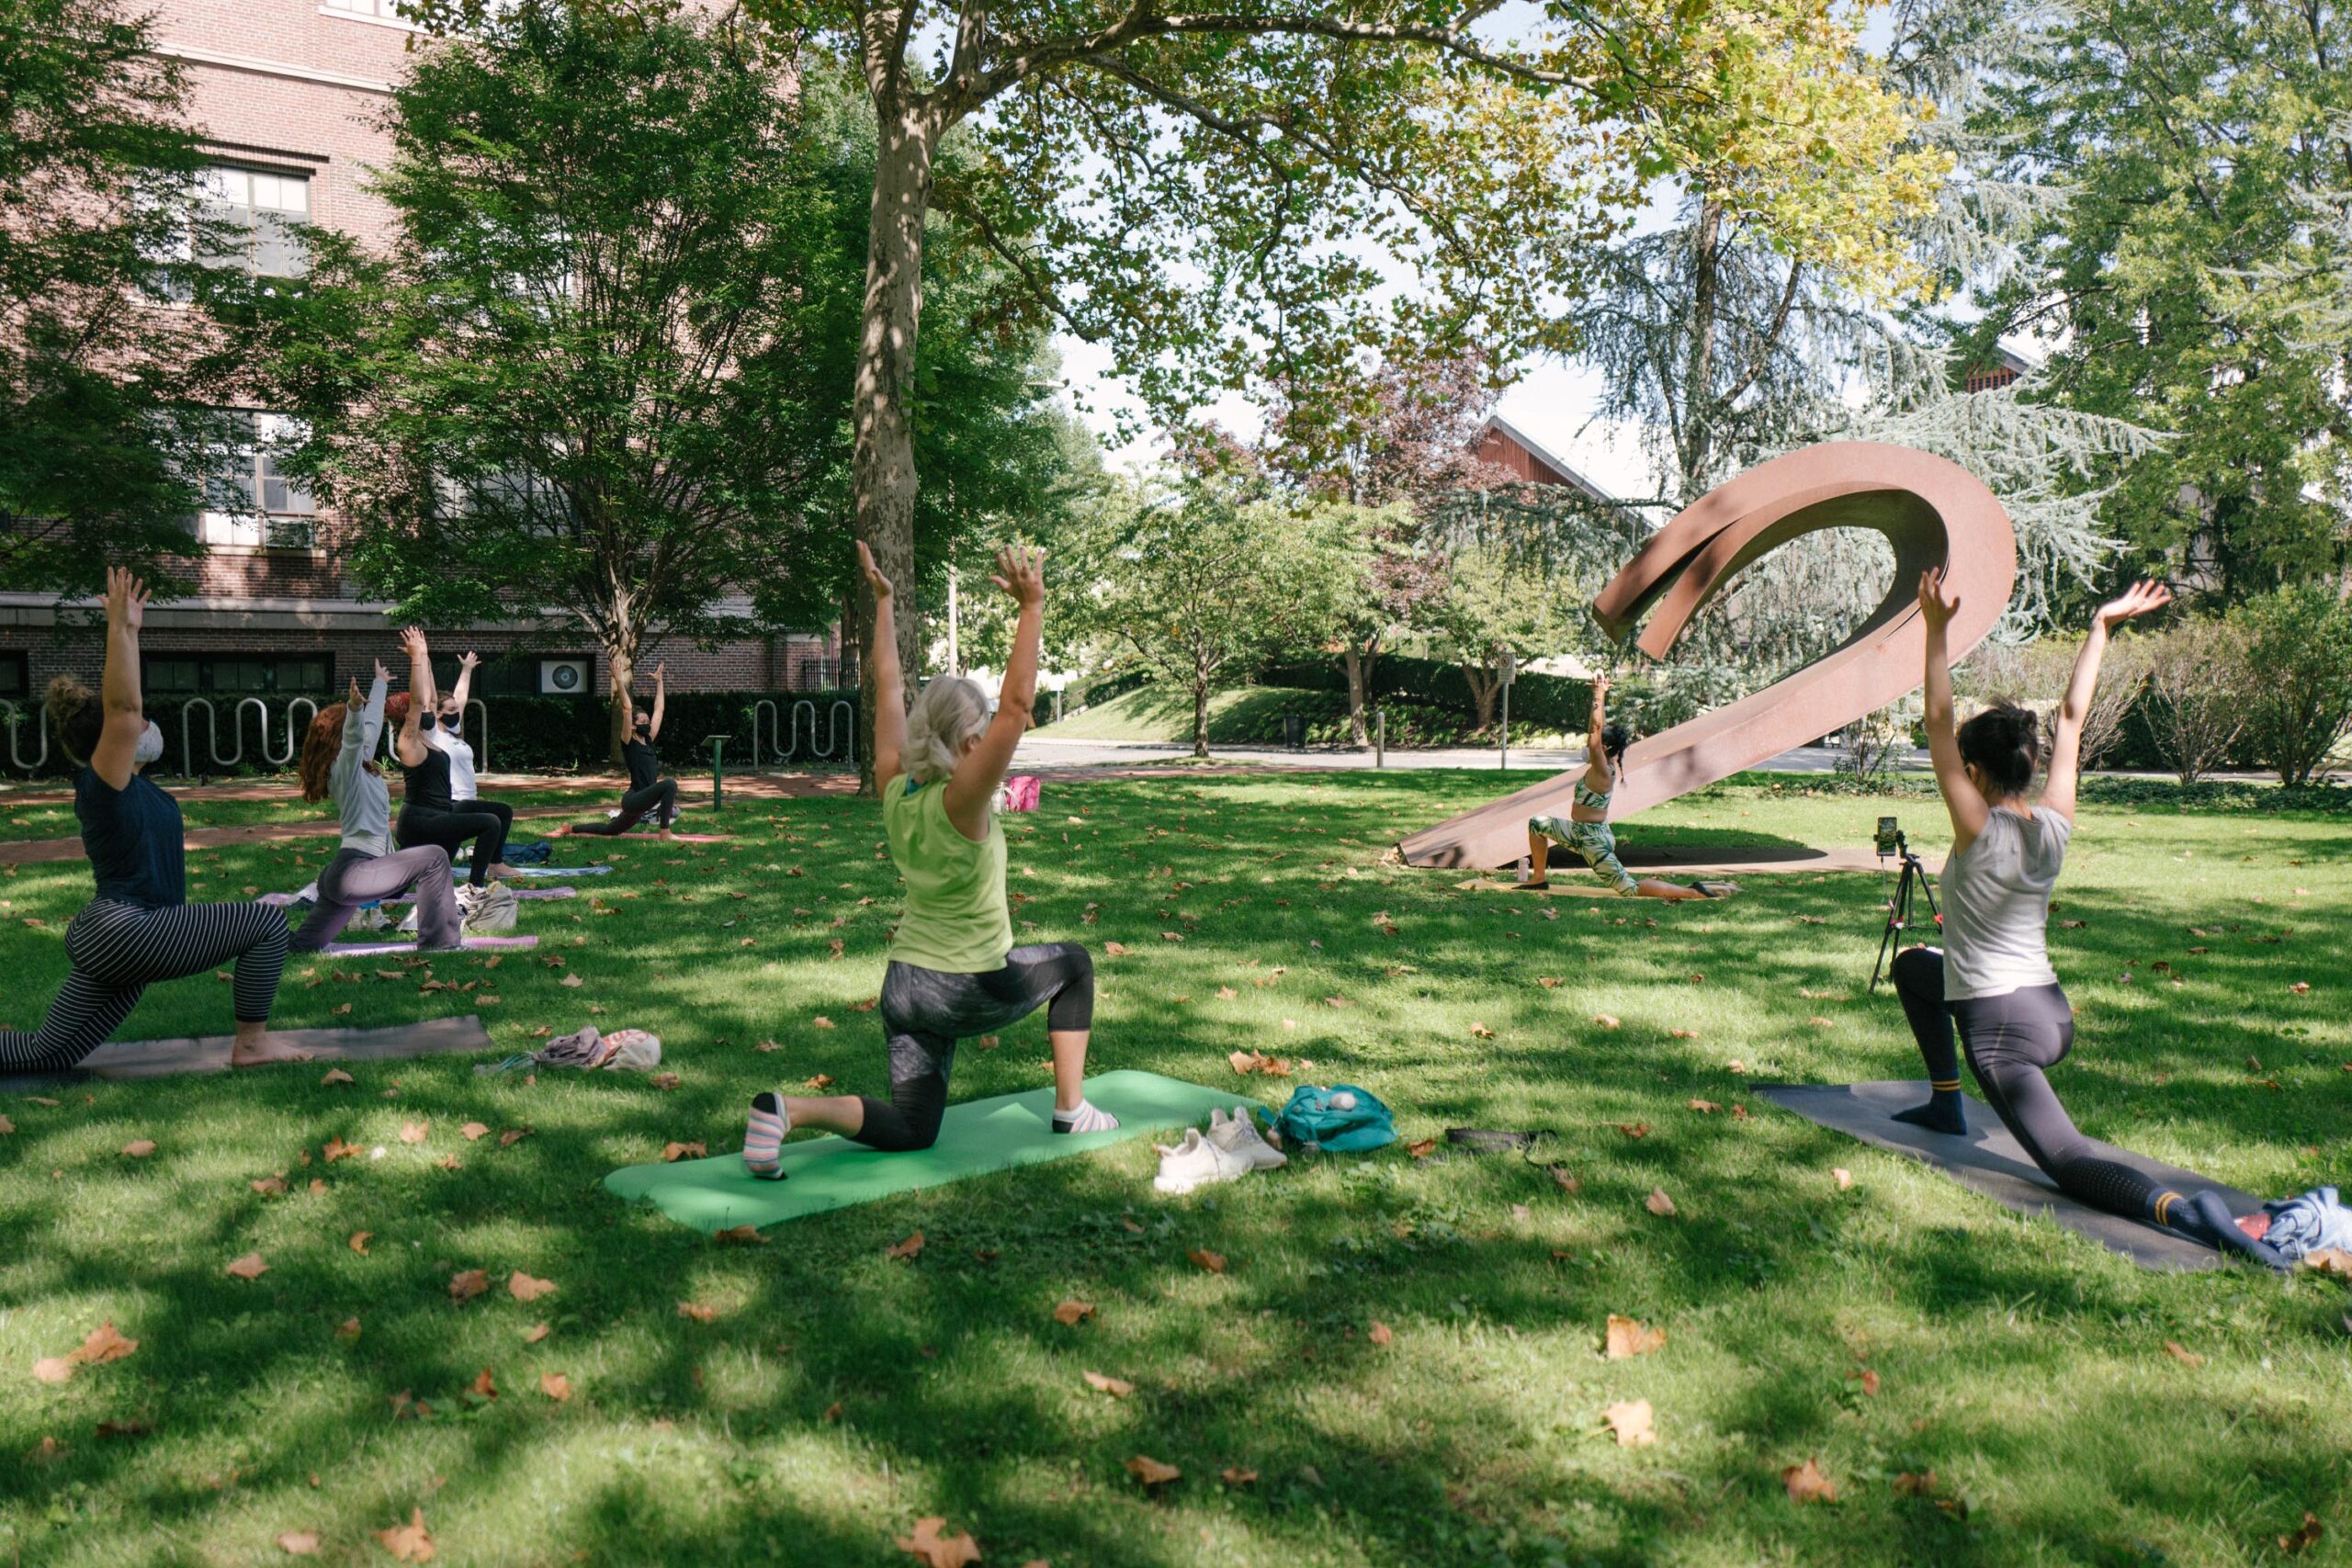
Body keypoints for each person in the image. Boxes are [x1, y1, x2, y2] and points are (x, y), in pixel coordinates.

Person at [1891, 570, 2284, 1267]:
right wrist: (2100, 626)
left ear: (1977, 774)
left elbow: (1937, 724)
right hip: (2049, 1011)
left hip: (2002, 1030)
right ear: (2028, 765)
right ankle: (1946, 1100)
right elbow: (2070, 719)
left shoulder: (1977, 828)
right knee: (1915, 968)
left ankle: (2191, 1215)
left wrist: (1936, 630)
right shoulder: (2053, 823)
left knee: (2069, 1161)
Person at [740, 542, 1115, 1177]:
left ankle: (787, 1111)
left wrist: (883, 604)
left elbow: (886, 682)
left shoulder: (895, 786)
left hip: (905, 987)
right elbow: (1020, 708)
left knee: (915, 1127)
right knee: (1075, 964)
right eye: (984, 732)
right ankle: (1071, 1107)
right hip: (963, 983)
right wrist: (1033, 607)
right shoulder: (962, 801)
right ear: (970, 740)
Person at [0, 569, 301, 1071]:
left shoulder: (140, 789)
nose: (146, 721)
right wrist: (123, 629)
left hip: (126, 936)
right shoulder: (103, 788)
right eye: (139, 721)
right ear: (114, 741)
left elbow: (123, 715)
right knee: (267, 922)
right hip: (123, 928)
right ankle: (252, 1045)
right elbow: (122, 709)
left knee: (46, 1055)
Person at [290, 649, 464, 953]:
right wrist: (353, 712)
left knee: (302, 946)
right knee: (435, 857)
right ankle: (440, 943)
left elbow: (366, 732)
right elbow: (356, 738)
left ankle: (268, 940)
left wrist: (379, 683)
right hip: (355, 871)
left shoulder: (357, 766)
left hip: (346, 873)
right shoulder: (343, 769)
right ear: (338, 737)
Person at [1520, 676, 1731, 901]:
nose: (1591, 745)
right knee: (1537, 824)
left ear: (1605, 748)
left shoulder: (1602, 769)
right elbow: (1600, 732)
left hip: (1592, 840)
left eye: (1598, 743)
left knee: (1630, 888)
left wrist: (1599, 696)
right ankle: (1538, 878)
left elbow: (1595, 729)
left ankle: (1692, 892)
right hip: (1580, 832)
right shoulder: (1605, 765)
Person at [387, 627, 514, 896]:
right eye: (419, 709)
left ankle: (381, 891)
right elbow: (419, 700)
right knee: (490, 822)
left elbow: (430, 697)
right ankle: (476, 889)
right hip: (420, 820)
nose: (426, 708)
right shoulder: (408, 741)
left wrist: (426, 656)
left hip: (439, 815)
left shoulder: (428, 737)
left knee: (408, 881)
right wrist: (415, 659)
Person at [554, 662, 678, 839]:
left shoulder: (648, 740)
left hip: (643, 800)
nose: (648, 724)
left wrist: (659, 682)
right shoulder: (629, 742)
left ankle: (570, 829)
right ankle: (665, 832)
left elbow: (660, 709)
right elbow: (627, 710)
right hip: (633, 800)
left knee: (610, 830)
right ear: (634, 727)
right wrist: (619, 680)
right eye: (643, 722)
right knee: (670, 784)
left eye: (648, 722)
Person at [424, 649, 518, 863]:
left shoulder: (453, 732)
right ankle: (495, 865)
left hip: (466, 802)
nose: (457, 711)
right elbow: (429, 699)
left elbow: (461, 699)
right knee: (501, 813)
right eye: (451, 709)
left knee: (442, 858)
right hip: (452, 803)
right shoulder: (432, 735)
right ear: (437, 713)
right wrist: (424, 665)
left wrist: (466, 670)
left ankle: (465, 858)